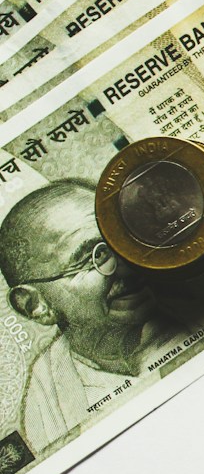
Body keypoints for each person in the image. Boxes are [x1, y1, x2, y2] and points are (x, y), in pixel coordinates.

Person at [0, 181, 188, 449]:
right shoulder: (46, 406)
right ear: (35, 305)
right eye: (92, 258)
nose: (123, 263)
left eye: (119, 239)